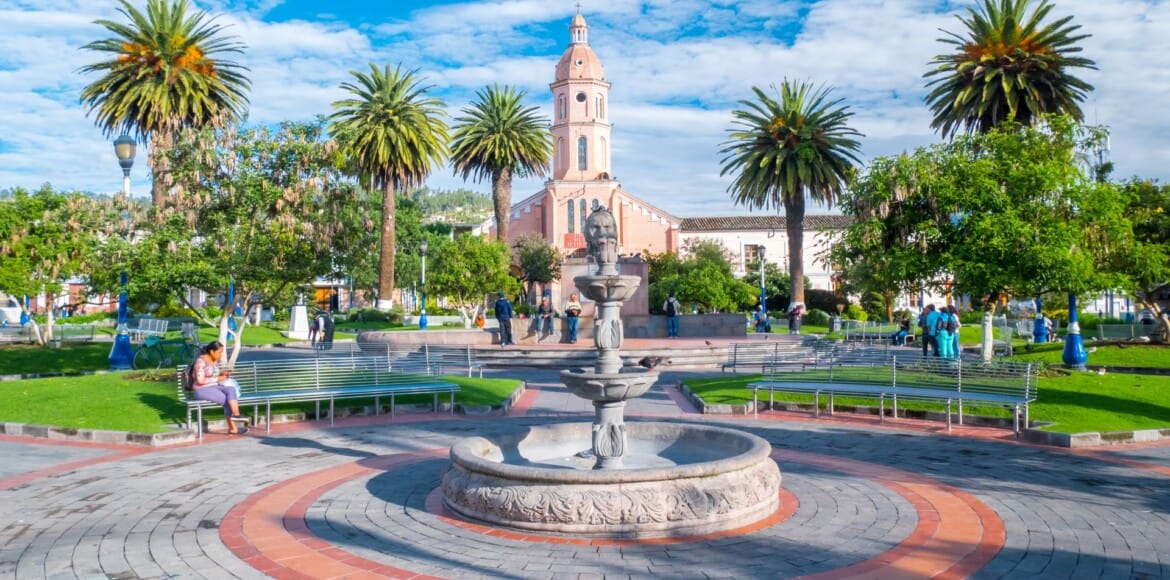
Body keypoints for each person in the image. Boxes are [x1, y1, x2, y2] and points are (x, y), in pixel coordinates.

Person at [191, 341, 247, 435]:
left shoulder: (213, 361)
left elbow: (212, 375)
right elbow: (200, 381)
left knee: (231, 389)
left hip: (213, 386)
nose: (221, 355)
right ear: (212, 351)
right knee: (227, 400)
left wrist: (222, 374)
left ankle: (236, 415)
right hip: (201, 389)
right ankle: (233, 428)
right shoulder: (200, 362)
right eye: (219, 352)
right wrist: (217, 378)